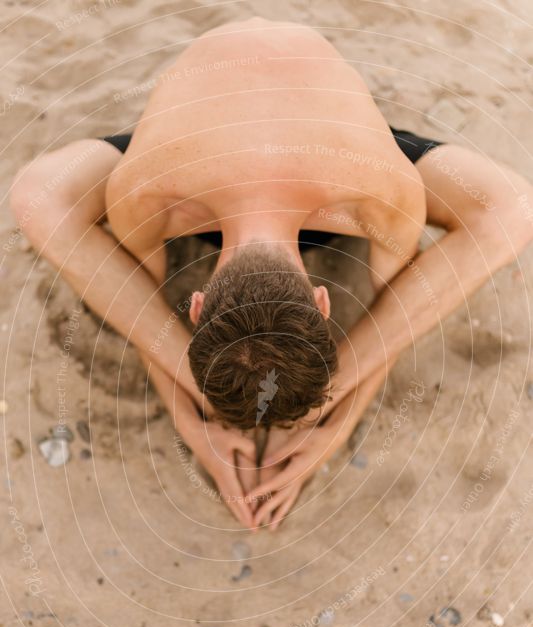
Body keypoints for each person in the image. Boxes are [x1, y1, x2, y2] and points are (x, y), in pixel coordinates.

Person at [10, 17, 533, 530]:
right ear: (322, 302)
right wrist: (191, 416)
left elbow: (395, 302)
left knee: (514, 207)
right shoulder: (148, 189)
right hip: (189, 140)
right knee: (36, 196)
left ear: (197, 304)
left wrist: (333, 417)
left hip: (335, 143)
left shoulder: (376, 187)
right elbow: (141, 297)